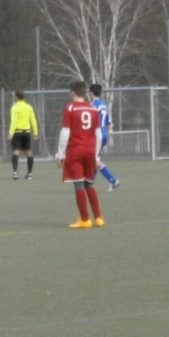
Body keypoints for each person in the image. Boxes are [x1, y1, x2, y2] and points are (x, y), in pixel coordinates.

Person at [55, 81, 104, 229]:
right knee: (89, 183)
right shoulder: (93, 109)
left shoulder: (70, 108)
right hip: (90, 151)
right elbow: (99, 135)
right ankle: (98, 218)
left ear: (72, 92)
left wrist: (60, 155)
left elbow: (65, 133)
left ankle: (85, 219)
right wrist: (96, 155)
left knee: (79, 184)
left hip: (75, 151)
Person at [89, 83, 120, 191]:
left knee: (94, 160)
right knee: (95, 159)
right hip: (104, 133)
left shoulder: (92, 105)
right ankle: (90, 183)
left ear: (91, 93)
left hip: (96, 134)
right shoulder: (103, 105)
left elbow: (90, 123)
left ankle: (113, 180)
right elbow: (108, 122)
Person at [8, 90, 38, 180]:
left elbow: (14, 121)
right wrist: (35, 132)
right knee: (28, 152)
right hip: (27, 132)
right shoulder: (29, 107)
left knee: (16, 152)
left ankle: (15, 173)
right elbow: (33, 120)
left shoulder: (15, 108)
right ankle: (30, 173)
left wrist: (10, 133)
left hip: (17, 132)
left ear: (17, 97)